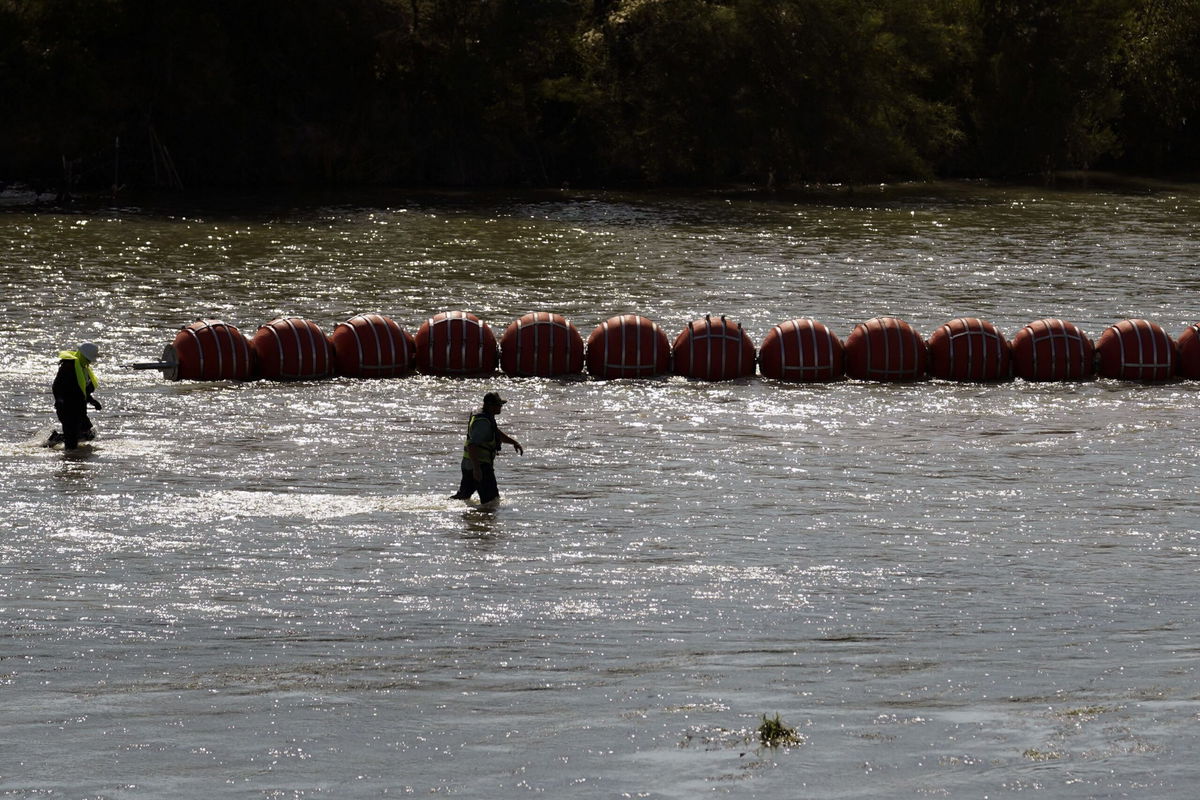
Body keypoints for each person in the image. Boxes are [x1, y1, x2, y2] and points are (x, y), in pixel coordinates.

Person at [450, 392, 523, 505]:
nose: (501, 407)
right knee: (492, 502)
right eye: (498, 405)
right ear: (490, 405)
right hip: (480, 465)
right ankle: (487, 521)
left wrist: (513, 442)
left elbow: (495, 432)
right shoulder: (482, 422)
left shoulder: (484, 416)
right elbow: (472, 445)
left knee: (463, 497)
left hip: (469, 464)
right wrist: (477, 469)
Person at [49, 341, 102, 449]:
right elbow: (56, 385)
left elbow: (82, 390)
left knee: (89, 434)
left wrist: (92, 401)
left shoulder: (84, 368)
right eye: (88, 359)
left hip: (79, 409)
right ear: (82, 355)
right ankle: (70, 462)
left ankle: (56, 439)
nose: (89, 362)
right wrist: (59, 399)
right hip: (66, 408)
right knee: (71, 446)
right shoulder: (68, 366)